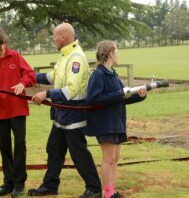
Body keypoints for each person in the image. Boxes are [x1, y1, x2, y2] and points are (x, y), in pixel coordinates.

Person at [29, 22, 102, 198]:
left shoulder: (75, 58)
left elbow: (72, 89)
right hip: (61, 115)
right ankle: (50, 186)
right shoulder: (64, 56)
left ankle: (94, 189)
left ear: (63, 37)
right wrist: (30, 76)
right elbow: (52, 76)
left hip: (73, 114)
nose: (53, 39)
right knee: (54, 149)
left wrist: (46, 93)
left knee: (78, 153)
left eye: (55, 36)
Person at [84, 40, 147, 198]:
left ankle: (112, 192)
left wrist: (140, 97)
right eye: (116, 51)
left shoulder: (113, 74)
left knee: (115, 158)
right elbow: (93, 98)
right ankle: (108, 194)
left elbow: (121, 98)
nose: (118, 54)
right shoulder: (98, 74)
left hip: (116, 122)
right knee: (109, 158)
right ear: (110, 53)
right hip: (105, 123)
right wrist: (119, 94)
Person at [0, 27, 36, 198]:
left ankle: (19, 183)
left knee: (20, 145)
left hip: (18, 109)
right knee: (4, 147)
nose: (2, 49)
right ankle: (8, 182)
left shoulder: (16, 56)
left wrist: (22, 83)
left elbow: (30, 74)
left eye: (3, 44)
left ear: (5, 42)